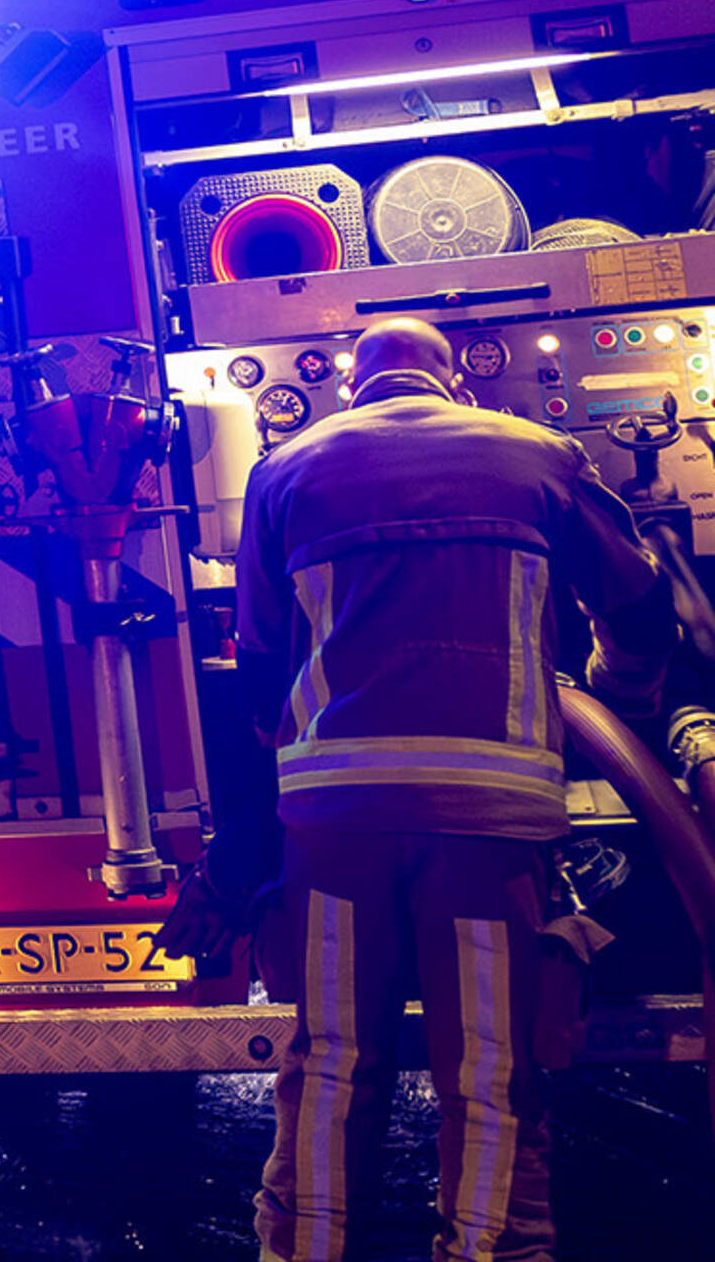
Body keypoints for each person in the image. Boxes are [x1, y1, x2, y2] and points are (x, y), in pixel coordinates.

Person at [235, 316, 681, 1262]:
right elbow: (640, 605)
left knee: (331, 1063)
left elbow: (262, 658)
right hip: (488, 824)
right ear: (456, 385)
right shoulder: (539, 455)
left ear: (350, 387)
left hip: (335, 825)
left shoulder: (282, 471)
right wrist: (624, 690)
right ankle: (488, 1250)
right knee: (487, 1071)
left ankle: (304, 1250)